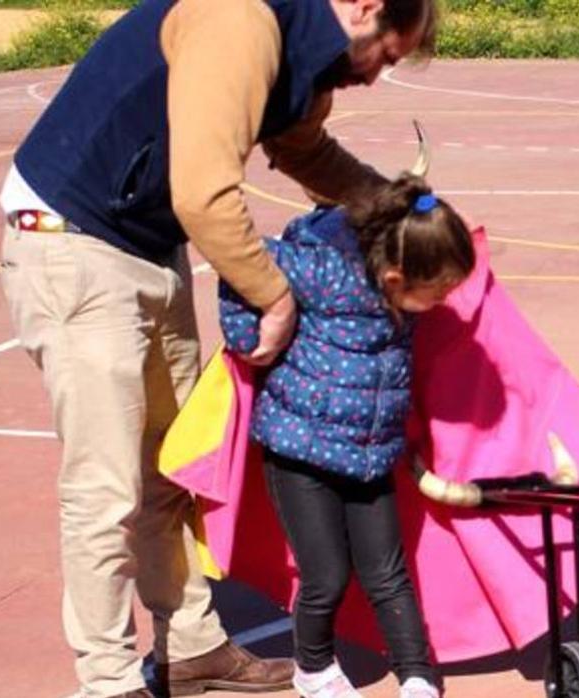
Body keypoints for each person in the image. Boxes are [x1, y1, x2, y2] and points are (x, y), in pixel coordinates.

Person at [0, 1, 441, 696]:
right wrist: (274, 294)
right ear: (366, 7)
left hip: (143, 244)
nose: (378, 75)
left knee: (174, 469)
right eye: (386, 55)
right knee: (106, 486)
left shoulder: (301, 55)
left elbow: (303, 150)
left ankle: (194, 646)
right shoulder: (242, 20)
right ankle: (108, 679)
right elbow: (204, 194)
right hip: (72, 244)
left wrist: (399, 208)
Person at [218, 174, 475, 698]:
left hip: (370, 455)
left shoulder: (404, 288)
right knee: (327, 576)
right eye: (440, 290)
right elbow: (238, 259)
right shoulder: (328, 273)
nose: (447, 299)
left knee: (388, 574)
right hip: (299, 454)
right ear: (397, 275)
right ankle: (312, 668)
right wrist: (252, 336)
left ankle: (417, 674)